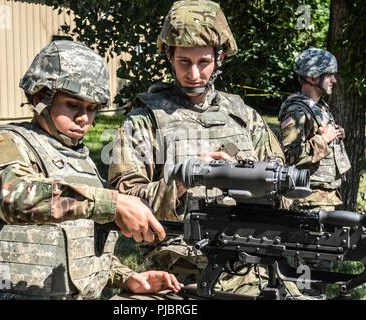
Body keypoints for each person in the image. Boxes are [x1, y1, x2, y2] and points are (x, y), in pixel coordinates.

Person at [0, 40, 183, 300]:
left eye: (92, 109)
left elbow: (75, 242)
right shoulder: (6, 144)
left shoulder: (80, 161)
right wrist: (112, 203)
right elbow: (14, 199)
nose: (84, 118)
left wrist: (126, 277)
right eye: (72, 105)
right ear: (40, 98)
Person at [108, 0, 291, 297]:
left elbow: (283, 189)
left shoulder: (243, 116)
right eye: (184, 62)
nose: (193, 73)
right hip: (177, 278)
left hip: (251, 271)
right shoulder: (145, 120)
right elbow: (125, 206)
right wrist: (183, 180)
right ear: (169, 55)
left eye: (203, 62)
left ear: (220, 59)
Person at [278, 48, 351, 212]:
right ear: (312, 77)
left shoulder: (318, 107)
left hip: (324, 197)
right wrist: (323, 140)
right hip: (308, 200)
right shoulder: (296, 111)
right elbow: (289, 156)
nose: (334, 80)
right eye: (329, 74)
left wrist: (335, 136)